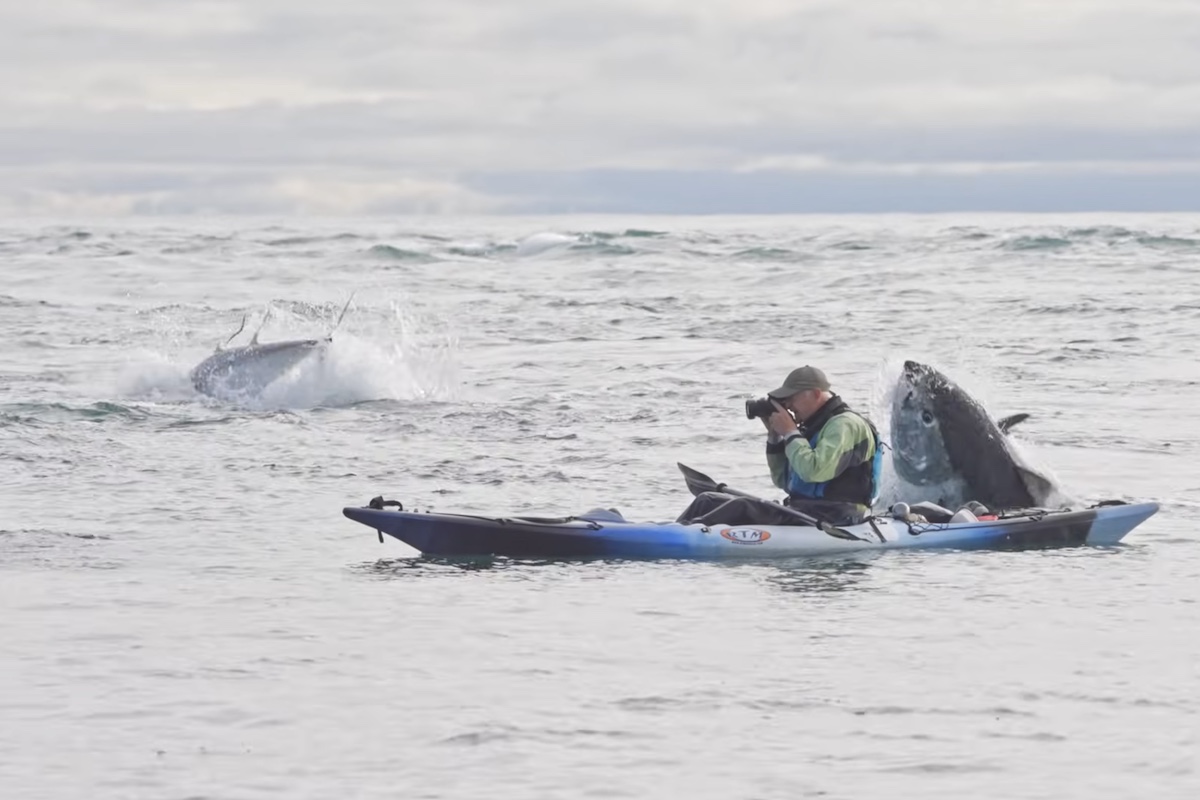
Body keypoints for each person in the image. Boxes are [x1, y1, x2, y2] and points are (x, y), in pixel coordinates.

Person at [761, 365, 882, 525]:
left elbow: (814, 471)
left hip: (838, 516)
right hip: (809, 512)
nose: (788, 405)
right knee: (722, 501)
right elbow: (783, 481)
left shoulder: (844, 425)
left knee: (742, 508)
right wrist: (775, 436)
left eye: (792, 398)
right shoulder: (813, 428)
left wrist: (790, 432)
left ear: (816, 394)